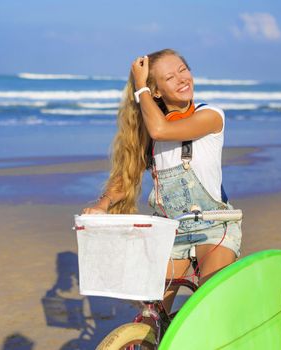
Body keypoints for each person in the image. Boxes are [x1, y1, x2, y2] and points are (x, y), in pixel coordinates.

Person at [82, 48, 242, 312]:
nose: (182, 79)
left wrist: (140, 86)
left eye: (183, 70)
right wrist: (103, 203)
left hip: (214, 226)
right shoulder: (150, 133)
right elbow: (127, 176)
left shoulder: (211, 116)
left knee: (211, 305)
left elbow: (161, 129)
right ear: (157, 92)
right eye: (170, 77)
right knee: (150, 312)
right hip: (170, 231)